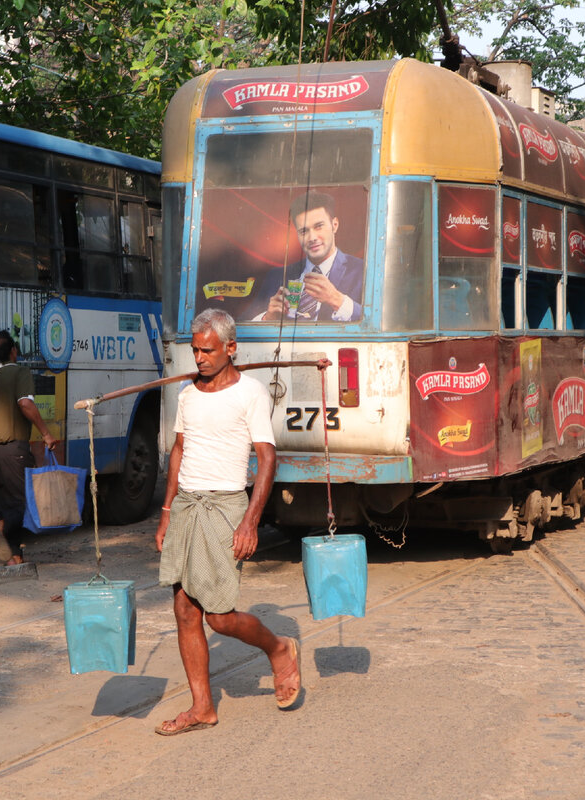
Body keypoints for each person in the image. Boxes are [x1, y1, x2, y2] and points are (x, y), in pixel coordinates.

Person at [153, 308, 302, 735]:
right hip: (186, 507)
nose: (198, 358)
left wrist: (251, 522)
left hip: (225, 508)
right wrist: (165, 513)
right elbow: (179, 451)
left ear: (231, 348)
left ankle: (278, 649)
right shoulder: (187, 394)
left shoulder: (250, 394)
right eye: (195, 350)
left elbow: (267, 458)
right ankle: (202, 707)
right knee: (184, 609)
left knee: (218, 616)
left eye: (207, 350)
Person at [0, 330, 57, 565]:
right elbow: (25, 404)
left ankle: (14, 558)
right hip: (13, 448)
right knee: (24, 502)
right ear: (13, 352)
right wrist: (46, 433)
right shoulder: (20, 372)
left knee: (5, 502)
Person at [255, 191, 364, 322]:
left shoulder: (362, 271)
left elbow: (380, 323)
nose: (312, 238)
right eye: (304, 231)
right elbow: (241, 327)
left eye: (319, 227)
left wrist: (337, 300)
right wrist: (267, 318)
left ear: (334, 225)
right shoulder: (277, 276)